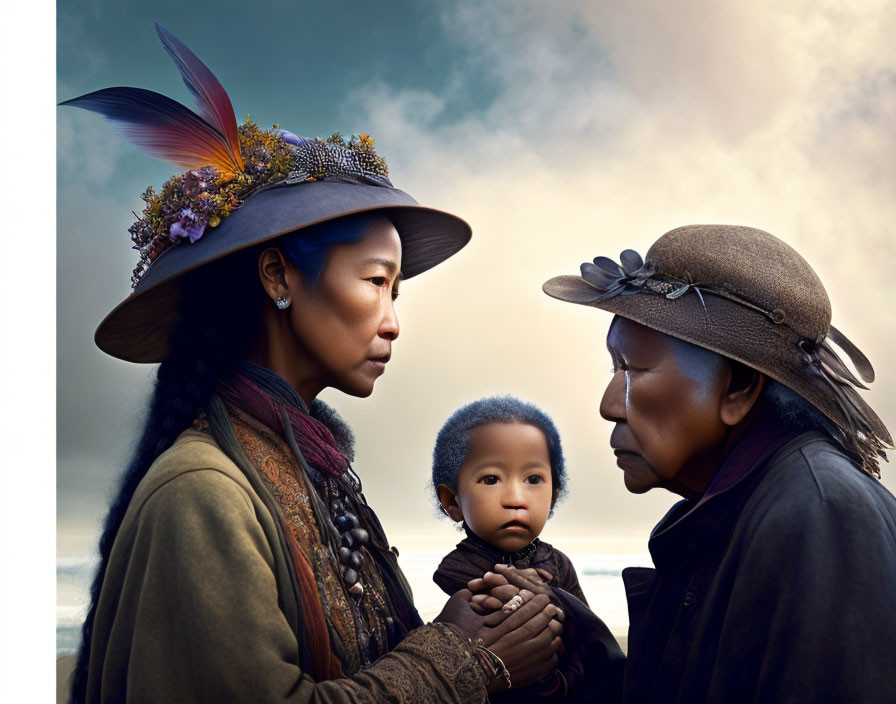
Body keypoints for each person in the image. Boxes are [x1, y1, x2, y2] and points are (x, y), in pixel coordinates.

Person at [61, 25, 563, 704]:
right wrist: (462, 656)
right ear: (278, 276)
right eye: (375, 281)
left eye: (397, 290)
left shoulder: (315, 468)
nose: (393, 320)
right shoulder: (202, 492)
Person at [529, 223, 896, 702]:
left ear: (739, 387)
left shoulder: (822, 515)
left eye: (634, 369)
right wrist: (579, 642)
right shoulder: (742, 510)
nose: (608, 404)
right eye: (613, 368)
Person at [431, 395, 625, 702]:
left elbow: (589, 634)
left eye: (533, 479)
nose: (516, 498)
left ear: (553, 496)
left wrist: (558, 606)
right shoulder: (460, 567)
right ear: (452, 502)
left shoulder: (558, 563)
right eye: (491, 479)